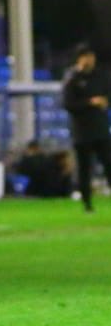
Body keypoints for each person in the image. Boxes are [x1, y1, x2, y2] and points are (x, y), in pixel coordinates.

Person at [61, 43, 111, 213]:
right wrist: (90, 102)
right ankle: (87, 203)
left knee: (109, 164)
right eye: (86, 56)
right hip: (82, 132)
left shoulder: (101, 76)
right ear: (80, 59)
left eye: (92, 56)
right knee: (84, 169)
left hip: (101, 130)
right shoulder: (72, 79)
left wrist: (105, 102)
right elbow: (68, 104)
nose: (90, 60)